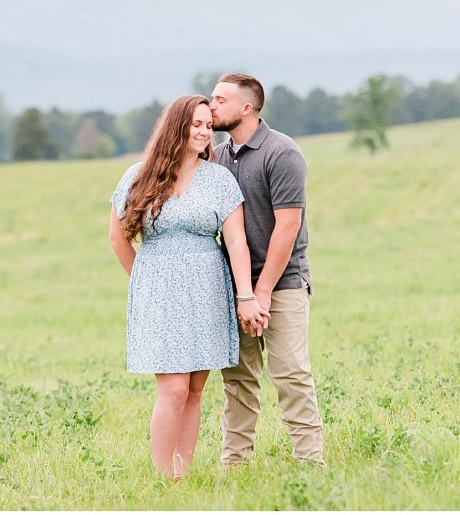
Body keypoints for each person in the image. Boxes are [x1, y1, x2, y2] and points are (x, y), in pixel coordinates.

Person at [109, 95, 268, 480]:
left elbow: (235, 242)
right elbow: (118, 238)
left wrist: (244, 294)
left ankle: (183, 474)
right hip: (160, 297)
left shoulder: (218, 179)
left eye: (206, 125)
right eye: (195, 124)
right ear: (176, 127)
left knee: (195, 390)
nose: (203, 131)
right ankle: (164, 477)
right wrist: (146, 284)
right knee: (174, 390)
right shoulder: (138, 174)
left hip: (207, 292)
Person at [209, 73, 326, 467]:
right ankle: (236, 466)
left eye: (220, 100)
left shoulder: (282, 153)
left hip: (283, 284)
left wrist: (261, 292)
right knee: (237, 380)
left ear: (246, 107)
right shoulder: (218, 159)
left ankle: (310, 463)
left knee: (291, 373)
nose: (211, 106)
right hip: (235, 288)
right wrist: (243, 293)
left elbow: (288, 226)